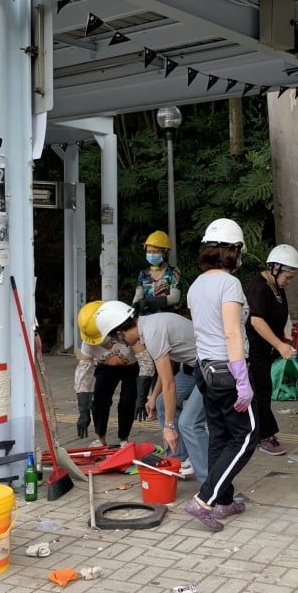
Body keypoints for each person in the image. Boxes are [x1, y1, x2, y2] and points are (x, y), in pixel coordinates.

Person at [184, 218, 256, 531]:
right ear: (231, 250)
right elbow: (231, 333)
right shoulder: (229, 284)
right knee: (248, 435)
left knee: (220, 435)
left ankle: (224, 501)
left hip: (205, 369)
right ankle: (204, 500)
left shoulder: (196, 285)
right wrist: (242, 379)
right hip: (227, 370)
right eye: (238, 249)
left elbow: (201, 332)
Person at [95, 300, 209, 484]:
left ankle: (211, 486)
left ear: (120, 331)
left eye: (118, 339)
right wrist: (153, 397)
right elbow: (167, 368)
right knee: (163, 402)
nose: (123, 344)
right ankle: (177, 461)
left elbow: (169, 382)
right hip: (192, 368)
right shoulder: (149, 325)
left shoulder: (152, 332)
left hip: (212, 368)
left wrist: (169, 426)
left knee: (189, 423)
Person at [245, 244, 298, 456]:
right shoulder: (259, 288)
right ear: (275, 268)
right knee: (260, 392)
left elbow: (279, 317)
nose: (289, 281)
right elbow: (257, 321)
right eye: (288, 276)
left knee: (263, 391)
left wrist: (284, 338)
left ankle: (258, 432)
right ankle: (265, 435)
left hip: (267, 350)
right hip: (254, 349)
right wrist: (279, 345)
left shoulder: (277, 288)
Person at [74, 300, 154, 446]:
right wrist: (82, 410)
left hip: (131, 367)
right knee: (99, 401)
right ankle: (100, 438)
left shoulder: (125, 330)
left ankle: (123, 438)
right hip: (105, 369)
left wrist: (143, 396)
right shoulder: (88, 342)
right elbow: (83, 374)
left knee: (127, 402)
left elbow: (145, 361)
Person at [133, 230, 184, 315]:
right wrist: (134, 307)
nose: (151, 254)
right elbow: (138, 295)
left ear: (164, 252)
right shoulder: (143, 274)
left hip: (167, 319)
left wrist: (149, 301)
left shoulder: (173, 272)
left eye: (155, 252)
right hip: (147, 319)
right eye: (149, 252)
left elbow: (175, 298)